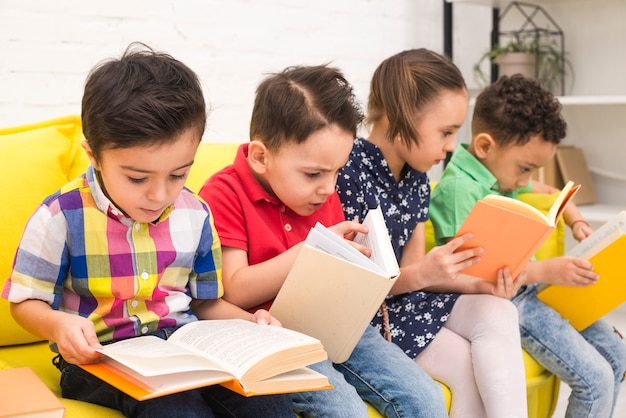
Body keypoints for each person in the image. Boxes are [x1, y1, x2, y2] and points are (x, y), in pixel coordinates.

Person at [1, 43, 295, 418]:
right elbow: (24, 302)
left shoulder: (196, 213)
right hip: (99, 359)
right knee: (175, 409)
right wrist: (60, 324)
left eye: (178, 174)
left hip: (185, 349)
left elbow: (205, 302)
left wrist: (251, 323)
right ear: (94, 155)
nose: (160, 195)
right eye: (138, 178)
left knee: (268, 400)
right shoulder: (60, 216)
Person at [199, 64, 448, 418]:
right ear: (260, 156)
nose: (329, 188)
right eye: (314, 173)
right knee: (344, 410)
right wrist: (308, 252)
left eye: (337, 171)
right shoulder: (224, 192)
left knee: (425, 398)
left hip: (334, 326)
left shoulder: (320, 194)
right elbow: (234, 290)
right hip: (270, 335)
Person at [335, 48, 528, 418]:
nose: (452, 146)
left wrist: (481, 284)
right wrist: (424, 273)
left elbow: (417, 272)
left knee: (498, 308)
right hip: (372, 317)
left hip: (407, 302)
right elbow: (352, 288)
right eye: (446, 132)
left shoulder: (418, 178)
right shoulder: (346, 171)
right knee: (465, 368)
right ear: (400, 115)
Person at [429, 73, 626, 418]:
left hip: (531, 290)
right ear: (485, 146)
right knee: (595, 381)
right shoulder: (460, 189)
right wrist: (550, 270)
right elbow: (476, 269)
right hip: (503, 300)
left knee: (618, 355)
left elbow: (551, 192)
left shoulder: (497, 174)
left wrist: (576, 219)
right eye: (524, 169)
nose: (526, 181)